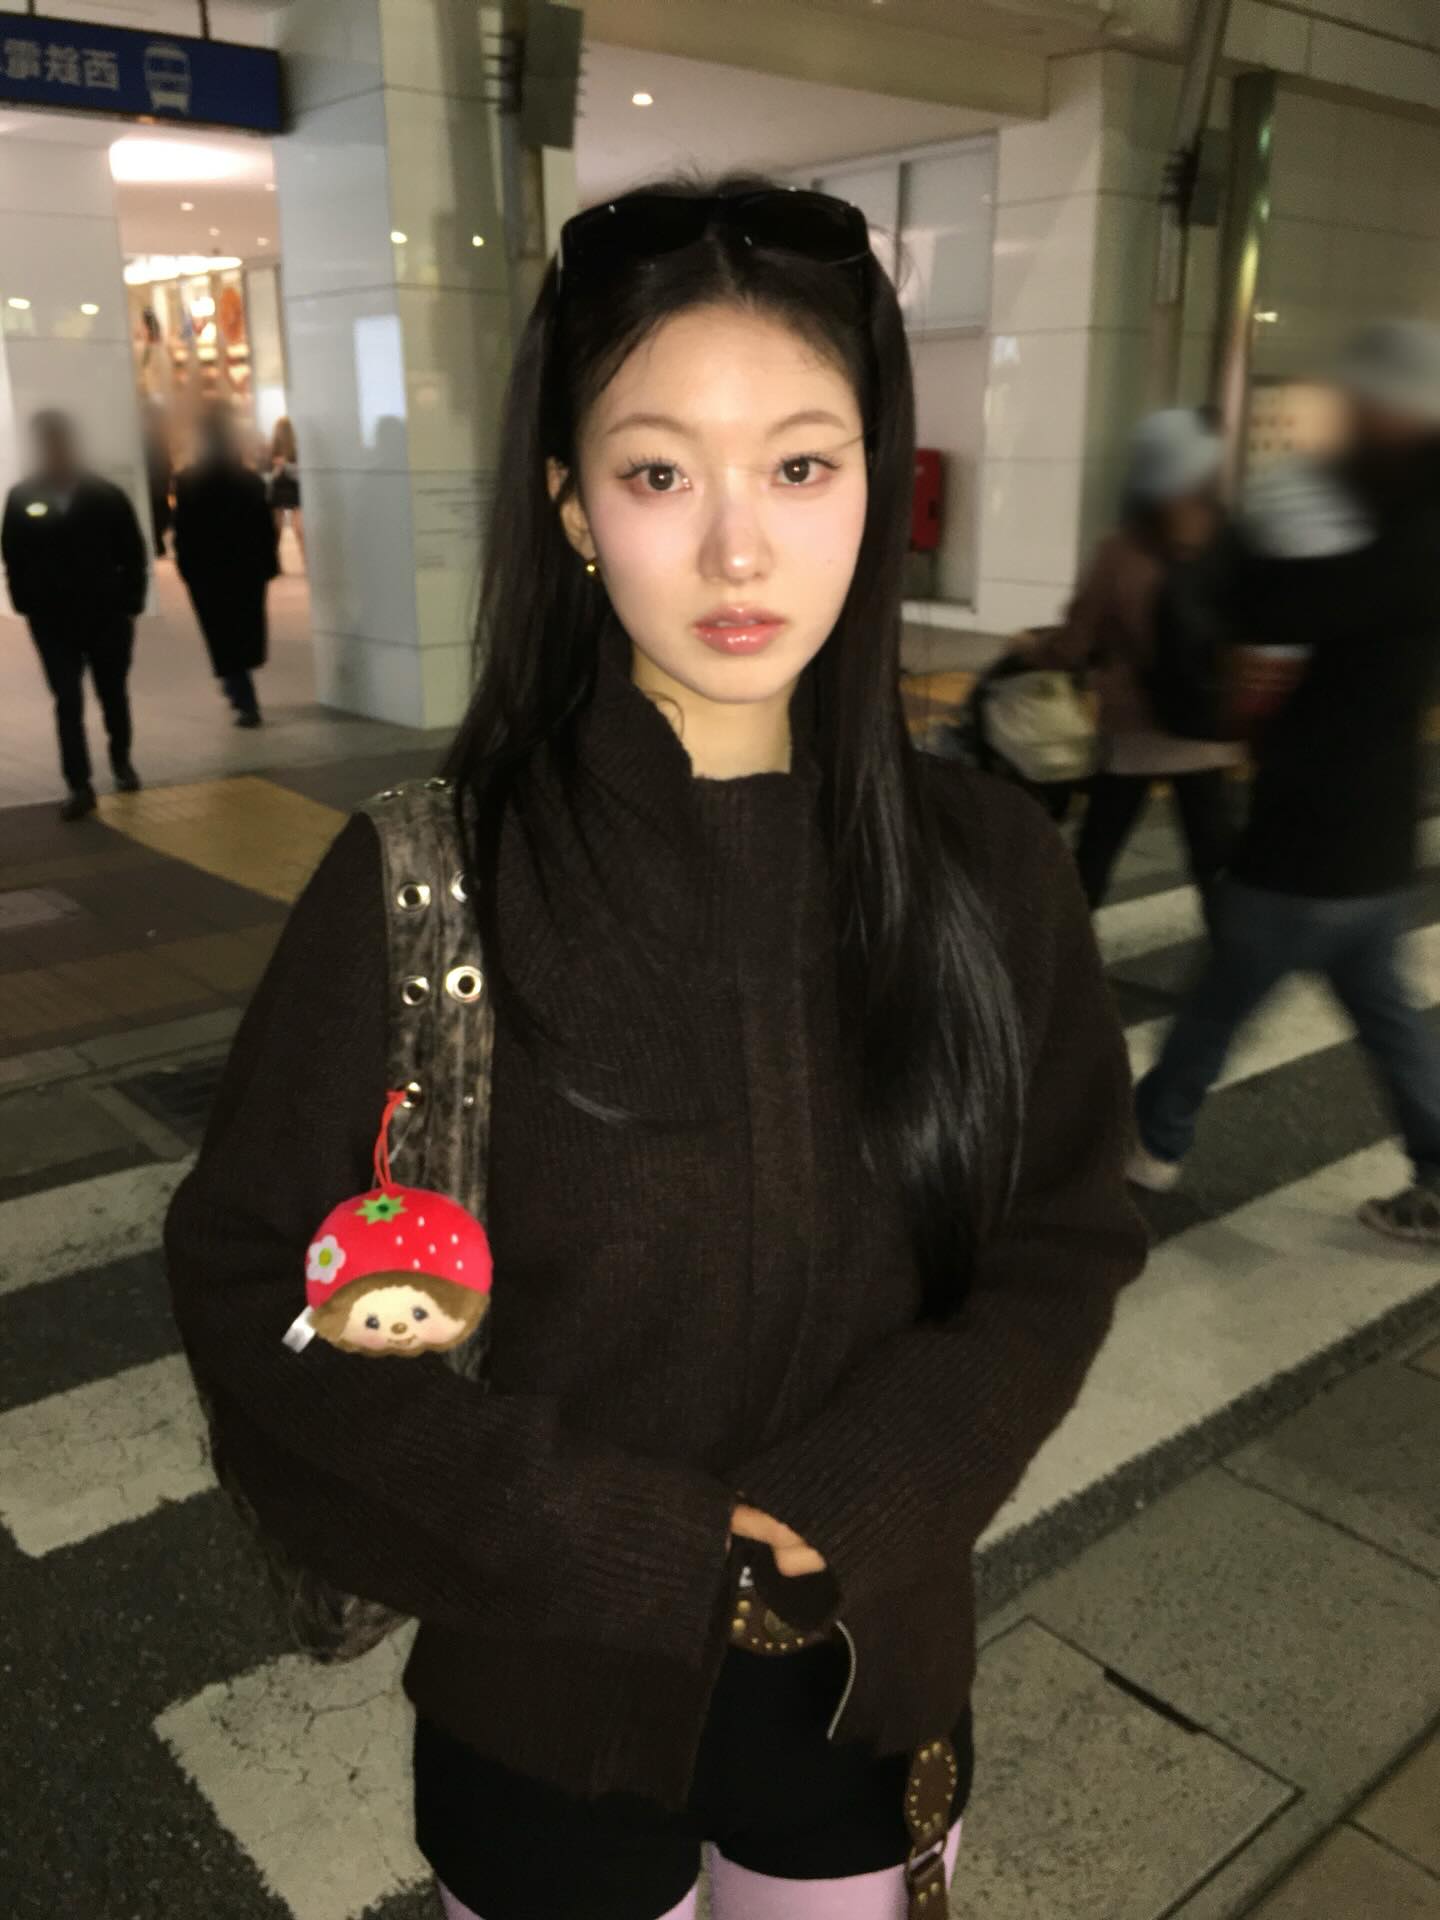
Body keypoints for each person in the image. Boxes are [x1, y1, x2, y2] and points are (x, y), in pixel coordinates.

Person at [165, 175, 1145, 1920]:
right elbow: (256, 1287)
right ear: (570, 505)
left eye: (802, 465)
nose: (739, 551)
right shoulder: (432, 874)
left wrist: (885, 1479)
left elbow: (1067, 1229)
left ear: (878, 482)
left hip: (868, 1678)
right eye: (660, 474)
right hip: (540, 1695)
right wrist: (602, 1534)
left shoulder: (988, 868)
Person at [1132, 319, 1440, 1245]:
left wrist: (1237, 550)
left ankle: (1149, 1143)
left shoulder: (1371, 527)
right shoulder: (1414, 523)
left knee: (1214, 1008)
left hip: (1307, 837)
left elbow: (1270, 611)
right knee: (1387, 1019)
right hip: (1378, 841)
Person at [1025, 408, 1239, 914]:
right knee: (1213, 860)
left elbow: (1074, 644)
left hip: (1134, 731)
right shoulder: (1229, 544)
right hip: (1208, 730)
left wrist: (1030, 648)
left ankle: (1066, 948)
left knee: (1096, 853)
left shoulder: (1121, 550)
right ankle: (1233, 950)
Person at [2, 409, 147, 822]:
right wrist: (25, 603)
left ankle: (121, 760)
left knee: (112, 694)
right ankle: (78, 783)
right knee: (67, 700)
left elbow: (132, 552)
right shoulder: (23, 497)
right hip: (52, 621)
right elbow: (13, 555)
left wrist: (129, 604)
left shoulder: (104, 496)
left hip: (106, 616)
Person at [174, 407, 280, 728]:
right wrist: (268, 565)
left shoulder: (190, 482)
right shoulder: (249, 482)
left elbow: (184, 530)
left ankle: (240, 692)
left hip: (208, 571)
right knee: (243, 629)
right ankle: (240, 688)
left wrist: (186, 567)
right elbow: (264, 528)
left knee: (220, 632)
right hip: (246, 569)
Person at [267, 414, 304, 567]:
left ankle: (275, 562)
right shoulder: (296, 448)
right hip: (292, 487)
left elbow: (268, 474)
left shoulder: (273, 449)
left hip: (280, 488)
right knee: (297, 526)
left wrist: (282, 466)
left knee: (277, 527)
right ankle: (306, 559)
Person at [142, 400, 173, 560]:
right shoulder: (154, 439)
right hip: (156, 487)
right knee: (159, 515)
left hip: (156, 487)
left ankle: (157, 546)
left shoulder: (152, 438)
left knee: (159, 515)